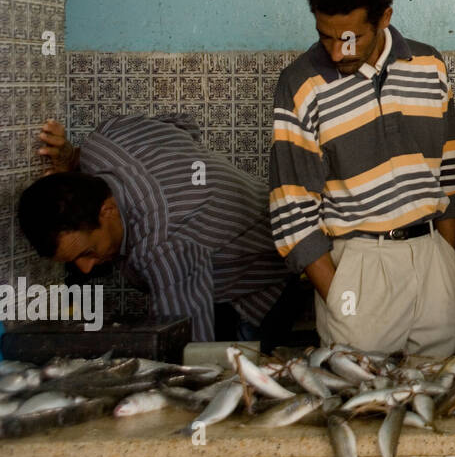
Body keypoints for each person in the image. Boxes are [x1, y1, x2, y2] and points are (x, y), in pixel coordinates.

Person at [269, 0, 455, 357]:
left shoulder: (429, 66)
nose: (338, 52)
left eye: (352, 37)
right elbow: (291, 210)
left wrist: (445, 260)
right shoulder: (301, 84)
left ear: (385, 18)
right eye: (326, 36)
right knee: (359, 409)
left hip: (432, 263)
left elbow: (449, 177)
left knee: (441, 408)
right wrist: (339, 294)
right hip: (357, 268)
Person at [18, 115, 297, 344]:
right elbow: (185, 126)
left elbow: (190, 351)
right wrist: (73, 158)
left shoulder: (163, 246)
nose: (87, 268)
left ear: (107, 210)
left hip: (265, 282)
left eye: (88, 252)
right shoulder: (105, 141)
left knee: (238, 379)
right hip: (263, 210)